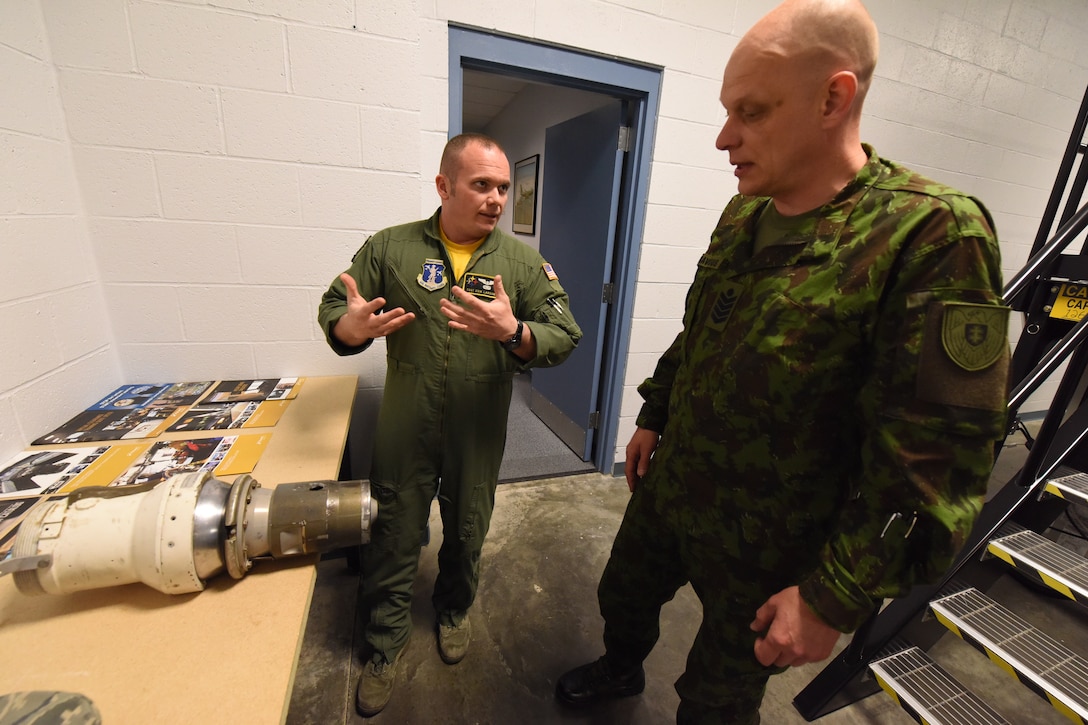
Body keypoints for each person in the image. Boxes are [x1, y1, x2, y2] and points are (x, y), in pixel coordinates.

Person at [555, 1, 1010, 723]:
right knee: (624, 596)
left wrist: (835, 594)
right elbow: (699, 331)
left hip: (775, 540)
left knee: (714, 699)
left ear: (834, 97)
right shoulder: (744, 213)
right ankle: (620, 669)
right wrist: (653, 414)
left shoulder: (931, 232)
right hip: (676, 487)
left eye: (752, 112)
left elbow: (935, 456)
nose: (723, 137)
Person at [318, 133, 582, 717]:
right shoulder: (392, 248)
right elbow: (335, 308)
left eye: (505, 188)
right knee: (392, 532)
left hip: (478, 430)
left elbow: (565, 335)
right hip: (406, 425)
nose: (495, 199)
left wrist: (514, 333)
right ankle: (384, 643)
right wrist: (352, 329)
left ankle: (454, 609)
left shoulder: (520, 264)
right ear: (444, 185)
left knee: (467, 528)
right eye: (481, 184)